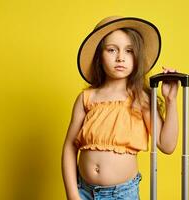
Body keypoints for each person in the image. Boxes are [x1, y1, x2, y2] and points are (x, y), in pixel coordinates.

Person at [62, 16, 179, 200]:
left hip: (122, 195)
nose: (120, 58)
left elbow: (167, 145)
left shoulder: (141, 99)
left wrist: (170, 100)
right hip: (83, 192)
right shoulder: (87, 98)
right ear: (99, 56)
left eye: (129, 51)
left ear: (137, 56)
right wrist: (72, 195)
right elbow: (69, 146)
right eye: (111, 50)